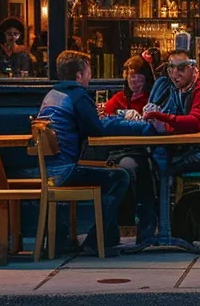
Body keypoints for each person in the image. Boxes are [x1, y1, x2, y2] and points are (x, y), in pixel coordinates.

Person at [37, 51, 160, 253]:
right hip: (65, 172)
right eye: (88, 72)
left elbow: (96, 123)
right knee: (119, 177)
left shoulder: (53, 94)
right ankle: (96, 241)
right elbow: (99, 128)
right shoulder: (77, 96)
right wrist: (143, 127)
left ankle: (106, 238)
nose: (90, 76)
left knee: (112, 173)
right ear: (79, 75)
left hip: (49, 170)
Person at [144, 50, 200, 224]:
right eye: (171, 68)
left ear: (193, 68)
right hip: (183, 149)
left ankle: (168, 222)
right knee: (153, 166)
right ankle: (163, 221)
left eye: (181, 68)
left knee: (162, 168)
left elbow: (195, 122)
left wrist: (162, 118)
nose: (175, 73)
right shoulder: (172, 90)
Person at [102, 57, 156, 233]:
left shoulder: (152, 99)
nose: (135, 81)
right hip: (119, 151)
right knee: (127, 168)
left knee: (139, 168)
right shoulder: (118, 98)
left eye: (140, 77)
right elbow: (104, 118)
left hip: (146, 151)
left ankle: (146, 225)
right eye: (132, 76)